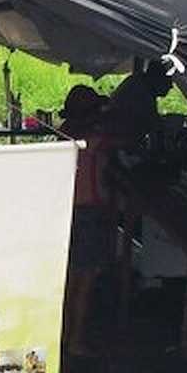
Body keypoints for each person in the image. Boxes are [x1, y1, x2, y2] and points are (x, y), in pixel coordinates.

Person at [60, 84, 115, 358]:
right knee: (84, 281)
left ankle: (63, 337)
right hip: (88, 214)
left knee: (69, 280)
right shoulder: (93, 140)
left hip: (68, 213)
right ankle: (75, 341)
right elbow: (122, 139)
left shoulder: (63, 135)